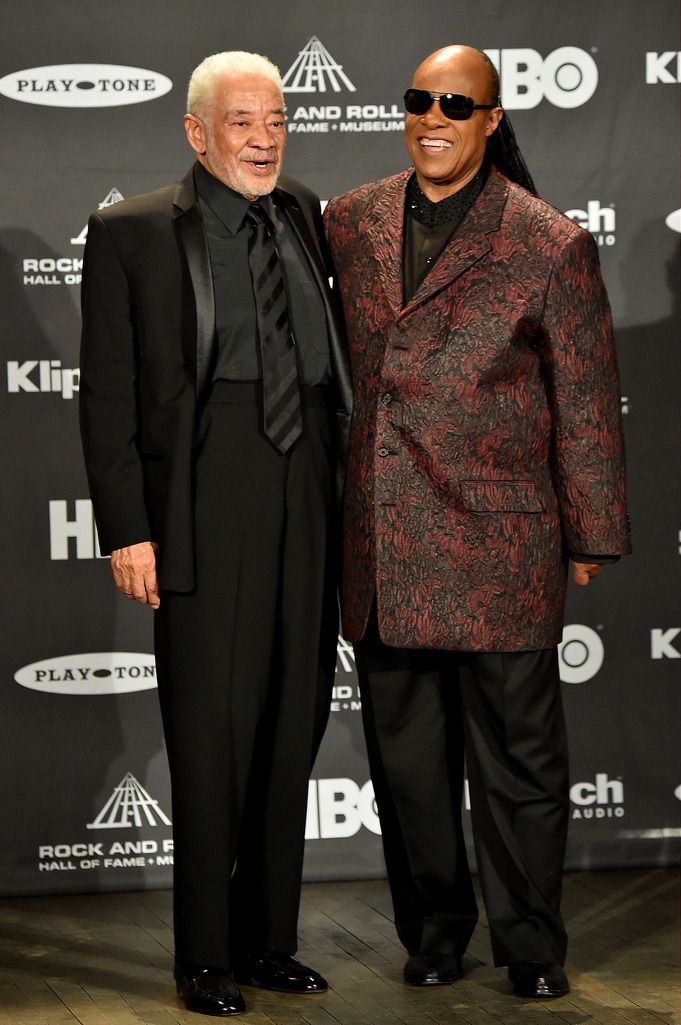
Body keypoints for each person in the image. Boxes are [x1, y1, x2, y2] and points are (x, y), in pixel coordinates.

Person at [324, 44, 629, 1001]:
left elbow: (582, 397)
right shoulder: (348, 219)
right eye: (418, 99)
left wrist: (591, 532)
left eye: (455, 103)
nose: (433, 117)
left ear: (492, 121)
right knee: (409, 767)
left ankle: (531, 944)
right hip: (388, 539)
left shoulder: (547, 241)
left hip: (501, 543)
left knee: (518, 767)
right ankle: (434, 931)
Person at [80, 50, 351, 1017]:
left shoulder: (307, 214)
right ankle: (204, 955)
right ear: (196, 132)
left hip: (308, 479)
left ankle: (268, 939)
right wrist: (129, 529)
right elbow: (108, 393)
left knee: (292, 722)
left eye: (276, 119)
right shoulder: (133, 231)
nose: (265, 138)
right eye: (242, 122)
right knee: (208, 731)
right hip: (204, 490)